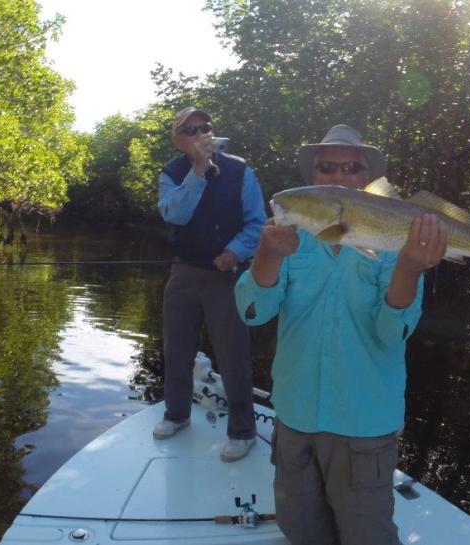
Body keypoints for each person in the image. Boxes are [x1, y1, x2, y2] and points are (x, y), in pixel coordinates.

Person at [234, 124, 448, 544]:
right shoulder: (290, 237)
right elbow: (252, 312)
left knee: (366, 535)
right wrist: (266, 254)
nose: (339, 176)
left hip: (363, 424)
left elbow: (392, 333)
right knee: (299, 529)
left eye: (352, 168)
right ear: (313, 180)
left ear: (368, 179)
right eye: (327, 167)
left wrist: (408, 269)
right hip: (295, 417)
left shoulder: (397, 237)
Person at [154, 106, 266, 462]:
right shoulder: (171, 173)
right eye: (190, 130)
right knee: (177, 348)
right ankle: (177, 414)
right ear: (177, 140)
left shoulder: (240, 170)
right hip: (184, 271)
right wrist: (198, 171)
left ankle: (243, 431)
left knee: (233, 354)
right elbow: (175, 214)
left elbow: (257, 223)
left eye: (205, 127)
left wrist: (235, 252)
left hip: (227, 276)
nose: (200, 133)